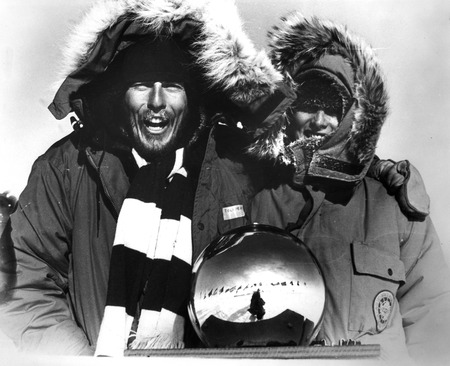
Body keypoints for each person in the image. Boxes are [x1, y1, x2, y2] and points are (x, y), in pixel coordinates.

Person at [0, 0, 432, 358]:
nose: (155, 103)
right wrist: (72, 360)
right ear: (117, 93)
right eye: (140, 85)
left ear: (192, 96)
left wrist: (367, 164)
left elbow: (308, 194)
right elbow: (25, 281)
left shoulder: (231, 161)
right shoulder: (67, 168)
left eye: (171, 86)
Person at [245, 13, 450, 364]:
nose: (319, 121)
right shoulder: (251, 194)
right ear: (286, 109)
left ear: (353, 116)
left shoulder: (394, 204)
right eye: (308, 103)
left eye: (332, 107)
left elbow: (432, 322)